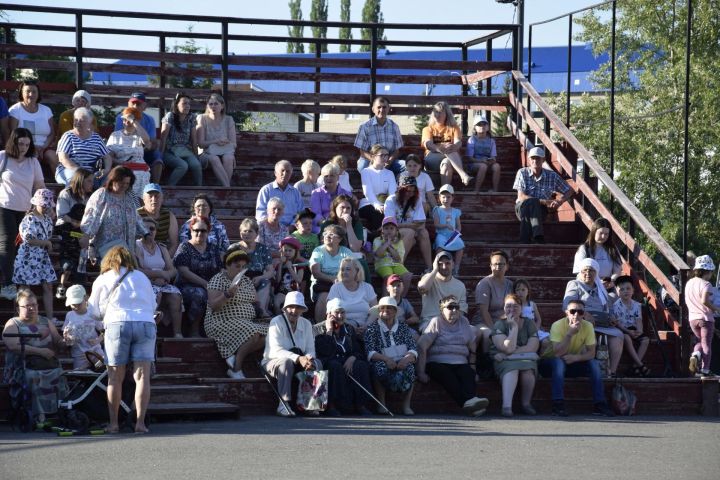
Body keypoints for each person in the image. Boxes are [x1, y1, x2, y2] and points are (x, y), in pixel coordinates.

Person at [88, 245, 157, 433]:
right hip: (145, 323)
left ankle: (114, 424)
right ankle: (140, 424)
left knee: (114, 377)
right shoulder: (142, 277)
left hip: (117, 323)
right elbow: (153, 305)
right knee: (142, 377)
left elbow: (93, 311)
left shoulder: (103, 278)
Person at [538, 299, 614, 417]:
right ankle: (557, 404)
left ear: (584, 314)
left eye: (580, 312)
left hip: (572, 362)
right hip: (549, 364)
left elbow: (591, 353)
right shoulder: (557, 325)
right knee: (558, 363)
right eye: (573, 311)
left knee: (594, 364)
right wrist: (569, 334)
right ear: (567, 312)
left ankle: (599, 404)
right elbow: (558, 353)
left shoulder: (588, 326)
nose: (576, 315)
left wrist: (576, 358)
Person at [2, 288, 68, 423]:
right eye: (27, 306)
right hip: (23, 366)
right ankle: (40, 415)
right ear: (18, 308)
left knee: (60, 374)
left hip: (47, 364)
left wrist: (67, 340)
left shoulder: (45, 321)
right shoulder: (13, 323)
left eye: (34, 305)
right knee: (34, 377)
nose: (31, 308)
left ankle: (60, 411)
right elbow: (13, 346)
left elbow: (58, 341)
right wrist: (40, 351)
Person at [417, 295, 489, 417]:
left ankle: (470, 405)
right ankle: (469, 404)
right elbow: (422, 346)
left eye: (456, 307)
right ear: (442, 309)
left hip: (460, 361)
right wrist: (421, 372)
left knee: (468, 374)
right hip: (437, 361)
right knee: (448, 377)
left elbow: (472, 348)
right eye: (450, 307)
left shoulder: (464, 322)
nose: (454, 310)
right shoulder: (436, 322)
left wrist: (473, 369)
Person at [206, 246, 269, 380]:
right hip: (220, 321)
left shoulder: (246, 281)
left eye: (243, 267)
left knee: (271, 333)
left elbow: (256, 301)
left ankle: (235, 358)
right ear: (228, 265)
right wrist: (227, 294)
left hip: (246, 321)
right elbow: (213, 306)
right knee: (253, 332)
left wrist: (262, 313)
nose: (240, 270)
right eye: (237, 266)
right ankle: (236, 368)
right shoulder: (218, 279)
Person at [0, 128, 45, 300]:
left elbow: (40, 185)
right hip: (4, 205)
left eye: (27, 144)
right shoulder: (3, 156)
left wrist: (46, 204)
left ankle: (18, 283)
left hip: (25, 210)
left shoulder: (33, 162)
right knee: (6, 243)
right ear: (13, 142)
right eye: (20, 143)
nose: (24, 147)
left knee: (20, 246)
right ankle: (6, 284)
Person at [261, 291, 320, 417]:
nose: (294, 310)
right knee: (286, 362)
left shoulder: (307, 324)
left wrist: (308, 358)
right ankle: (283, 404)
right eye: (291, 307)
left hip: (299, 360)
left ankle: (309, 403)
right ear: (285, 308)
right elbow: (276, 350)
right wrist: (299, 358)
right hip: (272, 361)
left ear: (302, 309)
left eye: (298, 307)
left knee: (316, 363)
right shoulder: (276, 322)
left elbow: (310, 349)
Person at [563, 258, 624, 378]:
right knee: (588, 331)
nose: (588, 273)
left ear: (596, 272)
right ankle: (585, 371)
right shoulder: (575, 284)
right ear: (580, 272)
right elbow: (567, 304)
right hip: (583, 320)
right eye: (585, 270)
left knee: (618, 336)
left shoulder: (600, 288)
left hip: (602, 322)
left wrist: (612, 317)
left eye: (591, 270)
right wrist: (584, 314)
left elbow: (609, 306)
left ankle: (611, 372)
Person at [314, 298, 373, 416]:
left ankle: (360, 405)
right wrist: (329, 332)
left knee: (360, 365)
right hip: (329, 360)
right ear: (328, 314)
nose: (340, 316)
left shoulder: (349, 329)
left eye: (343, 312)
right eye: (337, 312)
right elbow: (324, 352)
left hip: (346, 359)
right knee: (334, 366)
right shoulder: (317, 329)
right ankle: (332, 406)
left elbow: (357, 350)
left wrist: (352, 358)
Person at [364, 296, 417, 415]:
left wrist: (406, 359)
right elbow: (370, 351)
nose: (385, 310)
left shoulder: (403, 327)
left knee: (411, 368)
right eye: (382, 308)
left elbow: (412, 347)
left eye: (389, 308)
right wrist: (386, 359)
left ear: (395, 311)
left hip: (402, 360)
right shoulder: (372, 329)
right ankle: (381, 404)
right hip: (383, 360)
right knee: (379, 367)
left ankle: (406, 405)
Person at [81, 166, 149, 258]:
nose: (124, 186)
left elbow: (136, 218)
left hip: (127, 249)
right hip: (105, 249)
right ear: (113, 180)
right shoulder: (102, 194)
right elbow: (92, 216)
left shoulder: (129, 198)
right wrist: (86, 234)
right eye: (121, 182)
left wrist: (146, 233)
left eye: (127, 183)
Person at [173, 215, 224, 337]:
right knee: (200, 294)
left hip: (210, 285)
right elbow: (183, 271)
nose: (199, 233)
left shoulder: (213, 248)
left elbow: (220, 269)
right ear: (191, 231)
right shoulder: (184, 247)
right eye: (196, 230)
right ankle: (194, 330)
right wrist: (206, 284)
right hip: (186, 286)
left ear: (208, 231)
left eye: (203, 230)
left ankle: (219, 330)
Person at [490, 294, 539, 417]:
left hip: (519, 358)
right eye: (508, 306)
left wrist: (508, 354)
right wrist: (514, 328)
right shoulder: (499, 324)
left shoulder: (529, 323)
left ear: (521, 308)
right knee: (513, 369)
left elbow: (533, 347)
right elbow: (508, 347)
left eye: (515, 306)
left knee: (527, 369)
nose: (511, 309)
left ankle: (526, 404)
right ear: (504, 307)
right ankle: (506, 406)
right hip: (504, 362)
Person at [13, 188, 57, 322]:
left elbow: (47, 235)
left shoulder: (47, 219)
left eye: (48, 205)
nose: (45, 207)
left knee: (48, 285)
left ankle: (50, 318)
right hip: (28, 257)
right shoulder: (29, 219)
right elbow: (28, 239)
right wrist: (47, 243)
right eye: (43, 204)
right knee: (25, 289)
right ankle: (23, 318)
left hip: (41, 257)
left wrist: (46, 244)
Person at [135, 217, 183, 338]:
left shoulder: (161, 248)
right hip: (145, 282)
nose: (149, 231)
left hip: (162, 282)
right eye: (145, 228)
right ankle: (150, 333)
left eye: (152, 229)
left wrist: (165, 277)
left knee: (176, 295)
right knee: (156, 294)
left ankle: (177, 334)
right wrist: (159, 275)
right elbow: (138, 270)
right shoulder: (137, 246)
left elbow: (172, 269)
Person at [512, 146, 572, 243]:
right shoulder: (522, 172)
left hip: (541, 211)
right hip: (522, 208)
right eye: (532, 158)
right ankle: (538, 236)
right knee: (531, 202)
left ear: (543, 160)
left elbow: (569, 190)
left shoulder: (552, 176)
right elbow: (521, 196)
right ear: (529, 159)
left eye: (538, 158)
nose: (535, 160)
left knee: (533, 206)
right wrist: (544, 201)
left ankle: (524, 241)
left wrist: (559, 202)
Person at [384, 175, 432, 273]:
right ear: (400, 189)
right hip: (392, 232)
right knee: (410, 232)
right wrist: (410, 226)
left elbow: (421, 223)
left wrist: (411, 226)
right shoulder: (391, 200)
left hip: (409, 232)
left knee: (424, 233)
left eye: (413, 191)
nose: (410, 194)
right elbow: (390, 225)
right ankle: (398, 265)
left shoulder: (416, 199)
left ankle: (429, 268)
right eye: (407, 191)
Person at [8, 80, 58, 173]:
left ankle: (62, 185)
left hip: (44, 146)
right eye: (27, 91)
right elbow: (13, 134)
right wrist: (32, 147)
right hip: (23, 146)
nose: (31, 94)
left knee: (53, 157)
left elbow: (52, 133)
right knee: (32, 157)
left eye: (34, 91)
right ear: (21, 93)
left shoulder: (46, 110)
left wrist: (43, 147)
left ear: (38, 93)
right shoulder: (15, 110)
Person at [318, 194, 370, 281]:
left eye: (348, 208)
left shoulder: (356, 224)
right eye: (342, 207)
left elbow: (355, 248)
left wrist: (349, 225)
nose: (345, 210)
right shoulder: (327, 224)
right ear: (335, 208)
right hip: (332, 255)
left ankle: (367, 291)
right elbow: (324, 245)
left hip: (350, 255)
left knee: (362, 263)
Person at [114, 92, 163, 183]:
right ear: (128, 104)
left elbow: (152, 142)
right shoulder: (120, 118)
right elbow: (118, 139)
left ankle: (155, 186)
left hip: (145, 151)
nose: (135, 106)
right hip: (125, 152)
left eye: (138, 104)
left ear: (144, 106)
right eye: (133, 103)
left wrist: (147, 147)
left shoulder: (150, 119)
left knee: (158, 156)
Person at [422, 101, 473, 188]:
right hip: (432, 158)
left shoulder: (454, 128)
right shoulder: (428, 129)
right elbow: (428, 144)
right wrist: (440, 148)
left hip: (449, 159)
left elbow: (458, 142)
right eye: (436, 112)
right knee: (447, 149)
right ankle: (463, 174)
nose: (437, 115)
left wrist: (453, 146)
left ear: (446, 114)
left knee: (447, 162)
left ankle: (444, 191)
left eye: (440, 112)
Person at [56, 107, 112, 186]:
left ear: (89, 123)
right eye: (76, 120)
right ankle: (69, 198)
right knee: (76, 179)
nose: (78, 122)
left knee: (110, 180)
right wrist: (80, 172)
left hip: (91, 173)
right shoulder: (68, 136)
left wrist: (106, 170)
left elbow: (107, 157)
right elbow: (63, 158)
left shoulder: (96, 138)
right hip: (70, 169)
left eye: (81, 120)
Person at [309, 224, 354, 321]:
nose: (327, 236)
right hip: (322, 285)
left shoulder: (346, 252)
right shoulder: (318, 251)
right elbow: (316, 273)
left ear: (340, 239)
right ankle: (319, 328)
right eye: (325, 234)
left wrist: (341, 279)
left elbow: (353, 270)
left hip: (343, 283)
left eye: (332, 234)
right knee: (324, 297)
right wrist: (332, 279)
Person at [474, 250, 514, 358]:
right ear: (490, 266)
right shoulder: (484, 283)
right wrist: (494, 330)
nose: (498, 266)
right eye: (495, 264)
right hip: (484, 321)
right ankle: (487, 363)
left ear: (507, 266)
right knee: (489, 334)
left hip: (504, 321)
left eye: (502, 264)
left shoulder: (510, 284)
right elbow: (483, 311)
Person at [106, 106, 151, 200]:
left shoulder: (139, 135)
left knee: (140, 178)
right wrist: (119, 163)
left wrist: (133, 121)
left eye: (130, 120)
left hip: (140, 169)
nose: (127, 122)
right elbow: (109, 156)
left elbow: (147, 141)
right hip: (123, 169)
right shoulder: (115, 135)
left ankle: (139, 207)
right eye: (125, 119)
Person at [685, 255, 719, 377]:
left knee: (700, 341)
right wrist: (716, 309)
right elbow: (705, 301)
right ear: (708, 271)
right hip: (705, 319)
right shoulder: (706, 284)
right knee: (707, 345)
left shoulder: (689, 283)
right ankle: (705, 370)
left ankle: (695, 355)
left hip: (692, 319)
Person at [418, 251, 468, 332]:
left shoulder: (460, 285)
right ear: (436, 264)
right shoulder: (428, 278)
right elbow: (423, 288)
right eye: (440, 264)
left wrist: (450, 324)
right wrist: (434, 270)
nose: (444, 267)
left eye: (447, 263)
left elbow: (461, 311)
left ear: (453, 264)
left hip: (452, 322)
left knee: (474, 331)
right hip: (429, 321)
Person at [611, 275, 651, 377]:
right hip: (623, 330)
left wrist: (639, 331)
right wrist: (628, 332)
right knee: (627, 338)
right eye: (622, 289)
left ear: (633, 290)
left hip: (634, 329)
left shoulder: (637, 305)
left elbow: (638, 320)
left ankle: (635, 366)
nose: (626, 291)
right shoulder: (616, 306)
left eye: (628, 288)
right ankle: (640, 365)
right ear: (617, 291)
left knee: (645, 340)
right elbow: (618, 324)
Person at [234, 217, 274, 318]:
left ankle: (260, 310)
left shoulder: (263, 249)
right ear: (240, 233)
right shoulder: (234, 248)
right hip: (239, 279)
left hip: (258, 278)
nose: (247, 234)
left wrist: (260, 277)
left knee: (266, 281)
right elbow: (228, 269)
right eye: (244, 231)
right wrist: (243, 279)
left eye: (250, 231)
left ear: (256, 234)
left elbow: (270, 271)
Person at [354, 96, 405, 175]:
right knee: (362, 166)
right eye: (379, 107)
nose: (381, 110)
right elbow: (362, 151)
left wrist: (389, 161)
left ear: (388, 109)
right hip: (370, 160)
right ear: (373, 109)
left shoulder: (394, 126)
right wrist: (375, 161)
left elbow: (396, 150)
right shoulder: (365, 126)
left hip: (389, 161)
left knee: (405, 166)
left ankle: (397, 185)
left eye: (384, 107)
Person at [327, 257, 377, 334]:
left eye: (348, 269)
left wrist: (366, 325)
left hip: (366, 326)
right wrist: (351, 327)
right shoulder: (336, 288)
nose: (344, 272)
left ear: (357, 271)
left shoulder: (367, 287)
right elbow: (330, 313)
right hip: (344, 326)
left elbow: (375, 311)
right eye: (342, 270)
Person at [161, 92, 202, 186]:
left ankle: (199, 189)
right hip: (169, 151)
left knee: (196, 165)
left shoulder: (191, 118)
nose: (187, 106)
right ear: (176, 105)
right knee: (183, 166)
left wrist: (196, 156)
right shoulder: (170, 116)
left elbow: (194, 139)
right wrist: (160, 157)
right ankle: (169, 188)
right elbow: (163, 138)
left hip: (185, 150)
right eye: (184, 103)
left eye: (189, 103)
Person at [195, 93, 236, 187]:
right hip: (206, 153)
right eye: (211, 104)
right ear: (207, 106)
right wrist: (216, 141)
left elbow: (234, 144)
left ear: (222, 106)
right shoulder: (202, 118)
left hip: (225, 150)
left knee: (229, 158)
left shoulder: (229, 119)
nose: (213, 106)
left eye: (216, 104)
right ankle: (227, 188)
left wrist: (224, 142)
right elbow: (200, 144)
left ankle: (224, 187)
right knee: (214, 158)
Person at [62, 284, 104, 370]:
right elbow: (66, 334)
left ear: (86, 298)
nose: (76, 307)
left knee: (102, 371)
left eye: (78, 304)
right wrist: (67, 338)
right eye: (73, 305)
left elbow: (104, 331)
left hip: (95, 351)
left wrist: (98, 340)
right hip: (79, 353)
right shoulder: (70, 315)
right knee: (80, 374)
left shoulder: (93, 313)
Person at [358, 144, 397, 233]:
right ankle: (378, 237)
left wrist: (387, 206)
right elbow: (368, 192)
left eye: (386, 155)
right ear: (373, 156)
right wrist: (376, 205)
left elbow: (393, 193)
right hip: (368, 204)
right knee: (377, 213)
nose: (385, 157)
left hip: (385, 204)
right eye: (381, 155)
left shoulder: (390, 173)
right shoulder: (366, 172)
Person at [255, 160, 304, 228]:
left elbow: (300, 213)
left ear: (291, 173)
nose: (285, 173)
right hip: (270, 228)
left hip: (292, 230)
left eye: (288, 171)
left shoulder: (295, 192)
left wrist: (292, 226)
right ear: (275, 173)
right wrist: (273, 227)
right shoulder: (266, 190)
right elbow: (260, 214)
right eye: (282, 170)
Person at [573, 217, 623, 282]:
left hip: (607, 285)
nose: (603, 236)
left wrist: (611, 281)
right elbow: (579, 273)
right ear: (594, 232)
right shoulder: (584, 249)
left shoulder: (613, 249)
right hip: (587, 285)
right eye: (601, 233)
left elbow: (617, 271)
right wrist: (596, 284)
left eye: (606, 234)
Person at [373, 216, 412, 297]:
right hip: (382, 264)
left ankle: (401, 299)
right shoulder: (377, 240)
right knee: (388, 277)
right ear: (382, 230)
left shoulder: (399, 242)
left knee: (407, 276)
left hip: (396, 264)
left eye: (391, 228)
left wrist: (390, 246)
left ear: (396, 231)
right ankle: (385, 300)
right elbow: (378, 254)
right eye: (386, 228)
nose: (389, 231)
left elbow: (398, 258)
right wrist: (386, 244)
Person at [137, 183, 179, 256]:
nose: (154, 199)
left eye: (157, 196)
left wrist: (165, 260)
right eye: (150, 196)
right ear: (143, 199)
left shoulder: (169, 216)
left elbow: (174, 244)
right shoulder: (137, 215)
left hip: (163, 254)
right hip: (141, 253)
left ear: (162, 199)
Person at [431, 184, 464, 274]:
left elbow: (458, 226)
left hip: (452, 235)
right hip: (441, 234)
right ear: (439, 198)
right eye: (443, 197)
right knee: (439, 244)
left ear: (452, 198)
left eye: (448, 197)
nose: (446, 199)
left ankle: (456, 267)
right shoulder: (437, 210)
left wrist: (457, 233)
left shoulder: (456, 211)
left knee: (461, 244)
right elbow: (436, 224)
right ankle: (437, 266)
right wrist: (445, 225)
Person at [310, 163, 353, 232]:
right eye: (326, 176)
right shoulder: (316, 193)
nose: (329, 178)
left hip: (342, 225)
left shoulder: (347, 194)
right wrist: (327, 225)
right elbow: (316, 214)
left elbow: (350, 212)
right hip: (322, 226)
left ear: (338, 177)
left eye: (332, 176)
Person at [514, 278, 549, 353]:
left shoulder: (532, 304)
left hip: (533, 330)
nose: (520, 292)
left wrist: (536, 328)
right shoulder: (514, 305)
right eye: (518, 290)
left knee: (546, 342)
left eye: (523, 290)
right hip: (520, 332)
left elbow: (538, 319)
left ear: (528, 291)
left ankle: (540, 359)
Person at [466, 115, 499, 193]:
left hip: (487, 162)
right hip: (474, 164)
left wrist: (492, 160)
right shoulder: (472, 139)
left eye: (484, 124)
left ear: (488, 127)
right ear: (475, 127)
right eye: (479, 124)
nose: (482, 126)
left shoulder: (491, 141)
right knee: (483, 166)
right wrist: (481, 161)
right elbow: (470, 158)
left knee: (497, 166)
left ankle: (495, 190)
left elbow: (493, 157)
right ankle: (476, 190)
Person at [273, 236, 306, 313]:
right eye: (285, 250)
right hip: (283, 291)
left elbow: (299, 280)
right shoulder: (280, 264)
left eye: (290, 251)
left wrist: (290, 268)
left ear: (295, 252)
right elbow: (278, 280)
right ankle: (279, 318)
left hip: (295, 291)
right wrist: (281, 265)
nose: (287, 253)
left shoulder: (299, 264)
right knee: (276, 303)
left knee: (294, 307)